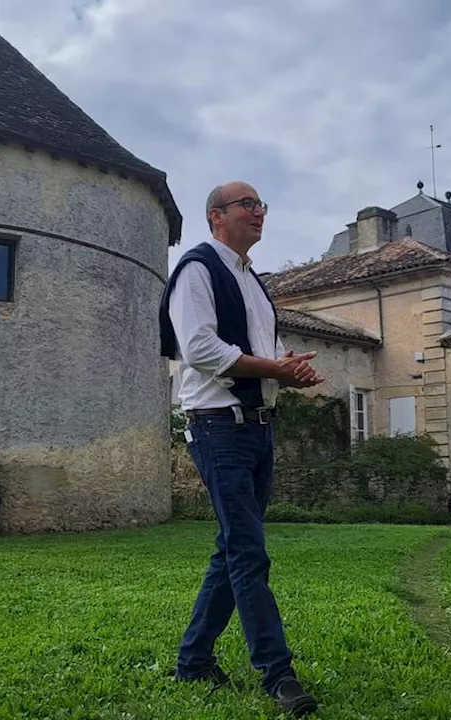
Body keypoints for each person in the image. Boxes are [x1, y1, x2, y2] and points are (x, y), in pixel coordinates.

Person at [158, 181, 324, 717]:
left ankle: (193, 660)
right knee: (248, 551)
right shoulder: (197, 269)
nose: (259, 213)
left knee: (232, 549)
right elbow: (201, 348)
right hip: (218, 429)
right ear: (216, 216)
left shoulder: (253, 281)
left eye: (262, 206)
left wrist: (287, 369)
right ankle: (278, 675)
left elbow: (263, 351)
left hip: (257, 428)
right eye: (247, 205)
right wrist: (274, 367)